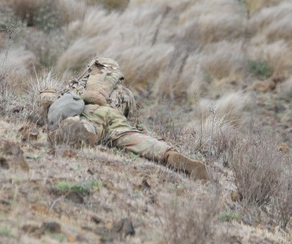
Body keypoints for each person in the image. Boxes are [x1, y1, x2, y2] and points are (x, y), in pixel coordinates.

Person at [40, 58, 210, 181]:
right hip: (116, 119)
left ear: (93, 69)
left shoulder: (80, 84)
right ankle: (168, 154)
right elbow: (135, 124)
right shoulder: (126, 93)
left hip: (90, 112)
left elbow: (60, 102)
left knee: (87, 127)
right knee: (134, 138)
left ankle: (79, 131)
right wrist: (148, 134)